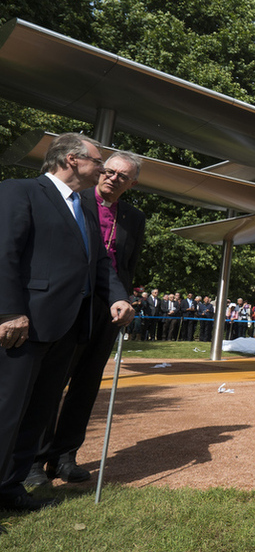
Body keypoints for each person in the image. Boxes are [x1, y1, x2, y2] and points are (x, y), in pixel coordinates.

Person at [0, 133, 133, 512]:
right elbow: (3, 252)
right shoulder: (19, 191)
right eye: (98, 161)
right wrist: (8, 311)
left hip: (67, 330)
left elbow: (100, 265)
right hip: (22, 326)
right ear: (72, 159)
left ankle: (10, 488)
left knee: (37, 413)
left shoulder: (83, 208)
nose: (104, 168)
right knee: (6, 412)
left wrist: (120, 296)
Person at [26, 151, 145, 487]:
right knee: (52, 382)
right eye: (108, 171)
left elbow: (127, 263)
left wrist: (124, 298)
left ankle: (64, 457)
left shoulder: (134, 217)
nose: (112, 178)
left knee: (88, 382)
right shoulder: (76, 202)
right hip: (70, 304)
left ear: (132, 183)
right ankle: (34, 459)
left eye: (122, 176)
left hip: (109, 308)